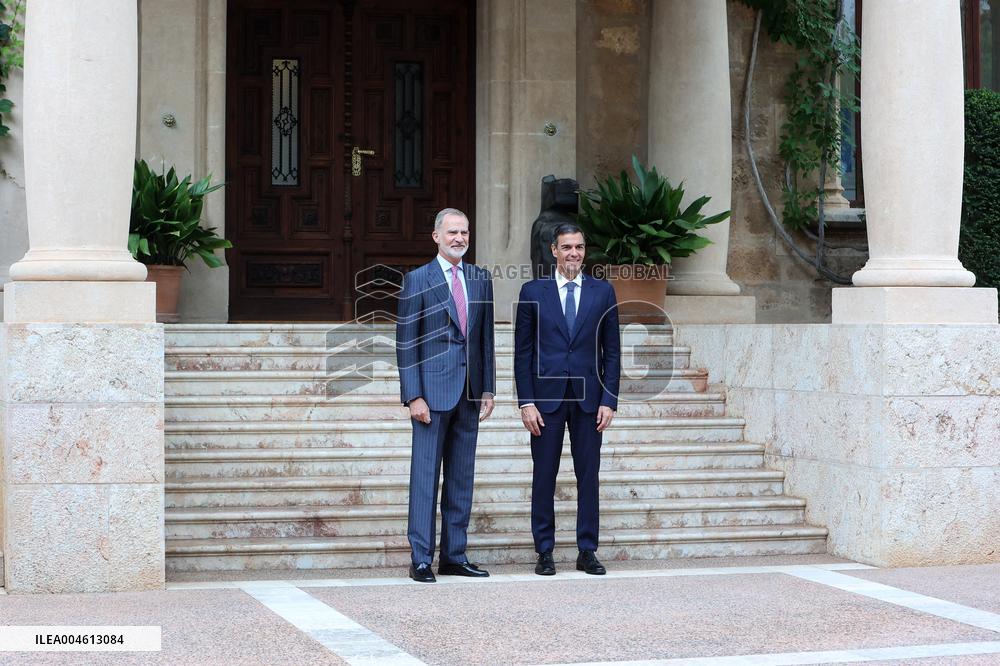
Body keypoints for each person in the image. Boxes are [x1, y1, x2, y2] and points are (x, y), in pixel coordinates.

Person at [514, 222, 621, 576]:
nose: (573, 253)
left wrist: (609, 399)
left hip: (590, 401)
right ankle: (544, 551)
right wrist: (525, 401)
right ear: (554, 251)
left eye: (579, 247)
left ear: (584, 251)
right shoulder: (532, 292)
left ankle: (587, 550)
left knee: (589, 476)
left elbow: (613, 352)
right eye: (567, 247)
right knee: (544, 475)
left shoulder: (602, 292)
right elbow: (522, 353)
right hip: (545, 401)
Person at [395, 208, 496, 583]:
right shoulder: (417, 280)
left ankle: (454, 555)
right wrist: (413, 396)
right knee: (425, 478)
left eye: (465, 232)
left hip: (469, 394)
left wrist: (488, 388)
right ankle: (421, 557)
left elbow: (484, 339)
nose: (459, 238)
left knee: (460, 478)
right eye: (452, 232)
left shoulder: (480, 279)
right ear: (435, 236)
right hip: (431, 396)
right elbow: (406, 343)